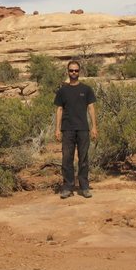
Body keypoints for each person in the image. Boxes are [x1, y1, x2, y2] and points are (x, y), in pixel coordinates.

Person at [54, 60, 98, 198]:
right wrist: (57, 129)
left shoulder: (86, 89)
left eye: (76, 70)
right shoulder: (62, 90)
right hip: (67, 129)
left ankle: (84, 187)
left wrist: (94, 127)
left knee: (83, 158)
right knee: (67, 158)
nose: (74, 73)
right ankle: (67, 187)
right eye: (71, 70)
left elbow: (91, 108)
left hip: (83, 129)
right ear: (68, 71)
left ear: (80, 72)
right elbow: (59, 109)